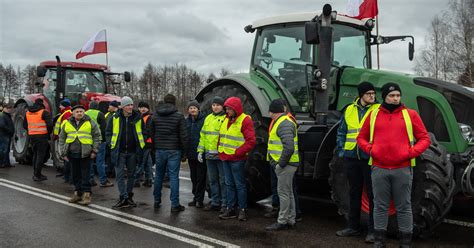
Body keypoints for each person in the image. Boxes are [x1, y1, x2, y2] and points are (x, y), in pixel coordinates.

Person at [357, 82, 431, 248]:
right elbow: (361, 137)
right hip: (379, 168)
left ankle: (405, 243)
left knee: (404, 206)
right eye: (392, 95)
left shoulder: (410, 115)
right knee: (380, 206)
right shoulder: (373, 115)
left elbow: (425, 138)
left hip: (402, 169)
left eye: (398, 95)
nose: (396, 98)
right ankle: (379, 241)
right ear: (385, 97)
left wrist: (410, 153)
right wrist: (371, 150)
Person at [335, 82, 380, 242]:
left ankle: (373, 231)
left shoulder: (378, 110)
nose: (372, 96)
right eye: (368, 93)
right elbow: (342, 132)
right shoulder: (349, 110)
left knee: (373, 195)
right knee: (354, 193)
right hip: (351, 158)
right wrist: (342, 151)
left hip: (369, 158)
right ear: (361, 95)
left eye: (373, 93)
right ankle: (353, 227)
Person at [218, 97, 256, 221]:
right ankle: (231, 208)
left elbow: (251, 141)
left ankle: (242, 209)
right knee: (229, 184)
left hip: (237, 159)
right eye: (226, 108)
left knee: (239, 185)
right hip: (225, 157)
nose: (227, 111)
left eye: (229, 109)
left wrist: (237, 153)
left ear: (236, 109)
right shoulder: (226, 119)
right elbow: (222, 135)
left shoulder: (245, 120)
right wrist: (219, 148)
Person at [148, 94, 188, 212]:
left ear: (164, 102)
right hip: (174, 150)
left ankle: (156, 200)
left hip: (160, 149)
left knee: (159, 176)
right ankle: (175, 204)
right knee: (173, 177)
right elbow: (183, 136)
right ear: (174, 102)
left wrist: (155, 147)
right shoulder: (179, 116)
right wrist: (184, 152)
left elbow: (151, 133)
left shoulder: (154, 116)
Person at [264, 99, 300, 231]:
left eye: (270, 112)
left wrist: (280, 164)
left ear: (273, 112)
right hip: (288, 164)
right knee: (288, 193)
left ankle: (282, 221)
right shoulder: (284, 122)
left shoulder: (283, 123)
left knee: (283, 193)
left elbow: (289, 147)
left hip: (286, 165)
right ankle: (291, 219)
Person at [106, 96, 146, 209]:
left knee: (132, 175)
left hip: (133, 152)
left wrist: (142, 145)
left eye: (131, 105)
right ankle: (123, 197)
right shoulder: (115, 118)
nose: (130, 107)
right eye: (128, 105)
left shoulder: (137, 117)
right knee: (119, 176)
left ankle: (129, 196)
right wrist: (110, 143)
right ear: (122, 107)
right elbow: (108, 132)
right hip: (119, 151)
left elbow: (144, 132)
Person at [59, 105, 101, 206]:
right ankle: (78, 193)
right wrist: (63, 153)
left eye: (81, 111)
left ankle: (86, 195)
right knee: (75, 175)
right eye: (77, 111)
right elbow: (62, 139)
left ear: (84, 113)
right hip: (72, 154)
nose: (79, 113)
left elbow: (97, 137)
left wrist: (94, 151)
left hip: (86, 153)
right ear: (73, 113)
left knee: (85, 175)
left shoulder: (91, 122)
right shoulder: (67, 123)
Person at [197, 96, 227, 213]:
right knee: (213, 180)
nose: (215, 107)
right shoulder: (208, 118)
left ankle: (224, 203)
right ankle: (215, 202)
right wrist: (200, 150)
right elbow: (203, 136)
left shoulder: (225, 119)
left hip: (221, 156)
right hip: (209, 155)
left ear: (222, 106)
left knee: (223, 181)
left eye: (218, 105)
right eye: (214, 105)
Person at [23, 98, 53, 181]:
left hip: (32, 136)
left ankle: (35, 173)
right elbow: (50, 125)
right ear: (42, 104)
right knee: (40, 155)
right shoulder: (44, 112)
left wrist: (31, 130)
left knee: (35, 154)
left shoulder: (28, 112)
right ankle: (37, 175)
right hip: (42, 136)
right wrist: (48, 133)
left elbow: (24, 125)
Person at [86, 101, 113, 187]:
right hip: (99, 141)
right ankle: (103, 180)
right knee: (100, 161)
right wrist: (105, 140)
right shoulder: (100, 114)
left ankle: (90, 179)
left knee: (89, 161)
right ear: (97, 107)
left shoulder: (85, 114)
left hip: (88, 141)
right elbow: (104, 128)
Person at [185, 100, 207, 208]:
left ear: (198, 109)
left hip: (201, 153)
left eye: (194, 108)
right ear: (188, 110)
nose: (192, 110)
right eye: (190, 108)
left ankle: (199, 199)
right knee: (193, 177)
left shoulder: (204, 120)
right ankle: (195, 197)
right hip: (191, 153)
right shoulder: (186, 121)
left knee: (200, 177)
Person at [134, 101, 154, 187]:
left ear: (148, 109)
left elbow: (149, 131)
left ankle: (136, 180)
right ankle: (148, 179)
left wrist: (146, 141)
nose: (143, 109)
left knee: (141, 162)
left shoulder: (149, 118)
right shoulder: (138, 117)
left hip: (145, 143)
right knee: (148, 162)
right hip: (143, 143)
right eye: (141, 107)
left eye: (144, 107)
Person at [105, 100, 120, 178]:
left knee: (114, 157)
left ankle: (114, 172)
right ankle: (109, 171)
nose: (108, 107)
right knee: (108, 156)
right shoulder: (107, 114)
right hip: (108, 140)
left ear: (114, 107)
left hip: (116, 141)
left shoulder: (117, 115)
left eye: (110, 105)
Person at [0, 103, 15, 168]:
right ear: (4, 108)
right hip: (4, 135)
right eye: (8, 108)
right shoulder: (3, 116)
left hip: (7, 135)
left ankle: (6, 163)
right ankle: (1, 163)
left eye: (10, 108)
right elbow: (2, 125)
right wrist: (9, 130)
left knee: (7, 150)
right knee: (3, 150)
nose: (10, 109)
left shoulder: (8, 116)